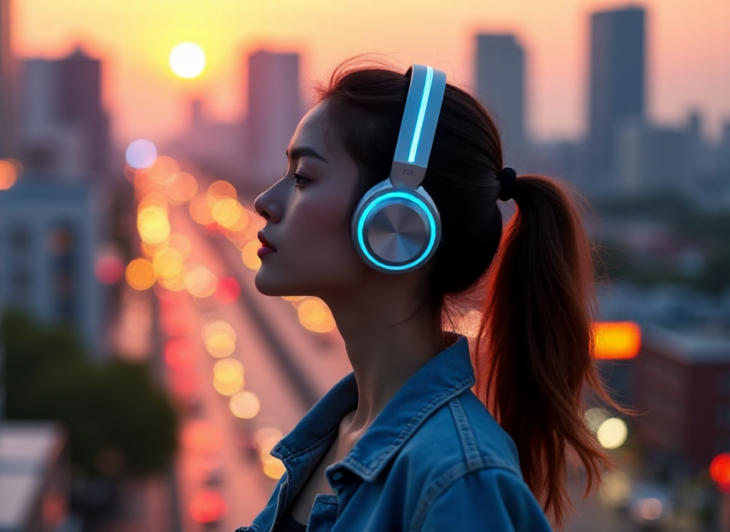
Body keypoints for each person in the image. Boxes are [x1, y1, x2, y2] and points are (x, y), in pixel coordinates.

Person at [239, 58, 623, 532]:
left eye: (303, 178)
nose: (265, 202)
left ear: (394, 218)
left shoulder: (458, 484)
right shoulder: (338, 436)